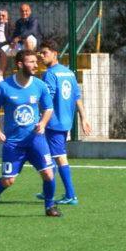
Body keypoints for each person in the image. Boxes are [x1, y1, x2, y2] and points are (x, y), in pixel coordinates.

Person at [0, 49, 61, 218]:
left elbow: (48, 108)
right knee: (8, 181)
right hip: (14, 143)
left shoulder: (39, 85)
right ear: (20, 64)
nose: (35, 65)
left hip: (35, 140)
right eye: (31, 62)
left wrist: (43, 123)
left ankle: (50, 206)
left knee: (48, 173)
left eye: (35, 61)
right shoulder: (4, 87)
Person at [35, 40, 92, 205]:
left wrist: (41, 120)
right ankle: (49, 190)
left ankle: (70, 195)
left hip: (53, 122)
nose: (41, 56)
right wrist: (83, 118)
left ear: (55, 53)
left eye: (44, 53)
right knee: (49, 156)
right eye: (40, 53)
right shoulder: (68, 72)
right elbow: (76, 97)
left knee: (59, 157)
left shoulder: (50, 74)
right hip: (64, 121)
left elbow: (48, 100)